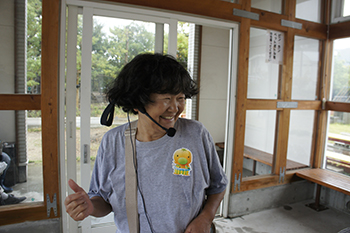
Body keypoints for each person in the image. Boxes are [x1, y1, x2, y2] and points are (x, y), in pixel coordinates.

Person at [64, 53, 227, 233]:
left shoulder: (196, 134)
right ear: (137, 103)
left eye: (180, 98)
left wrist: (205, 218)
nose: (175, 108)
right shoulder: (113, 142)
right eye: (166, 99)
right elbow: (102, 199)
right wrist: (90, 207)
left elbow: (218, 185)